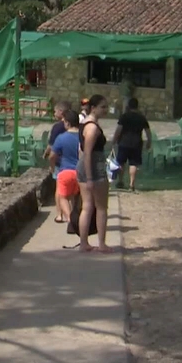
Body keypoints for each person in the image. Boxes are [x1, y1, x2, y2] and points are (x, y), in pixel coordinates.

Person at [76, 94, 112, 253]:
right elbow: (88, 152)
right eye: (102, 107)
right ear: (93, 108)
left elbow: (80, 149)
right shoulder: (92, 128)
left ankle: (84, 242)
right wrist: (90, 177)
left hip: (84, 166)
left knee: (87, 206)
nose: (106, 110)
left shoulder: (84, 124)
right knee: (101, 207)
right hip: (93, 167)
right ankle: (101, 243)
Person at [112, 98, 152, 192]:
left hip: (123, 142)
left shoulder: (124, 116)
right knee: (133, 163)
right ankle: (131, 184)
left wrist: (114, 140)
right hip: (136, 143)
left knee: (122, 162)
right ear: (137, 106)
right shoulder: (141, 117)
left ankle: (120, 181)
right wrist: (149, 142)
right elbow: (148, 131)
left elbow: (118, 129)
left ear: (128, 106)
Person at [49, 110, 81, 224]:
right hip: (79, 172)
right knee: (72, 196)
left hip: (65, 171)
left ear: (67, 123)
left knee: (63, 197)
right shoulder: (83, 136)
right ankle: (73, 216)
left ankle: (69, 219)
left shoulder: (61, 138)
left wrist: (52, 167)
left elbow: (52, 156)